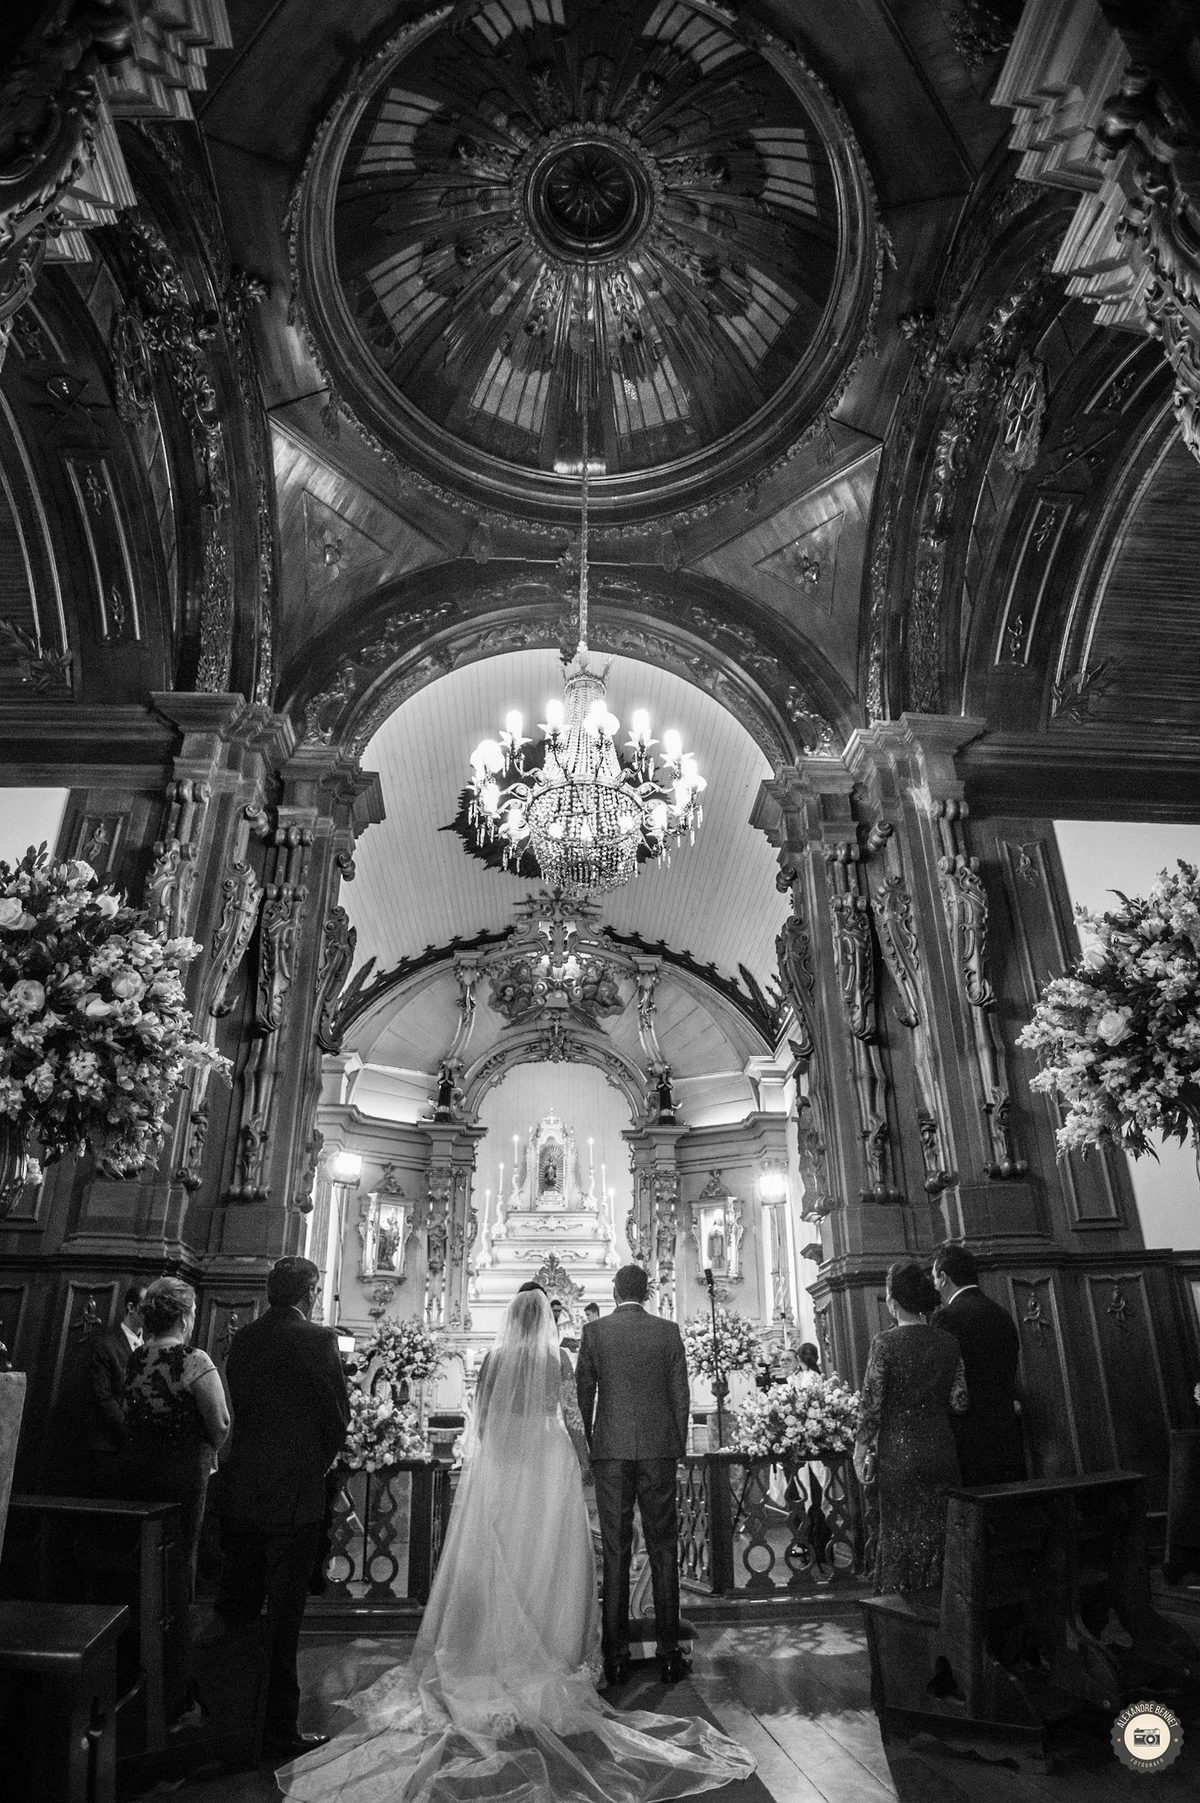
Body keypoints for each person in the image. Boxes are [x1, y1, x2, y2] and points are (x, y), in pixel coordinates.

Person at [278, 1287, 752, 1803]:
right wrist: (584, 1462)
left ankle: (499, 1646)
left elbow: (480, 1418)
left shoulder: (497, 1358)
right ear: (546, 1320)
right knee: (551, 1556)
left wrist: (499, 1452)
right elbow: (573, 1417)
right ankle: (558, 1646)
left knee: (500, 1551)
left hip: (505, 1460)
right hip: (548, 1460)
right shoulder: (558, 1359)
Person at [216, 1256, 350, 1764]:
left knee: (240, 1607)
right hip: (294, 1496)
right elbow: (337, 1415)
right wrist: (313, 1463)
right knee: (285, 1616)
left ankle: (233, 1719)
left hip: (244, 1488)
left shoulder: (244, 1336)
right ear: (311, 1293)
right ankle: (278, 1729)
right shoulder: (317, 1339)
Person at [105, 1276, 229, 1725]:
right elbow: (220, 1423)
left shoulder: (138, 1356)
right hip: (182, 1476)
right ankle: (173, 1685)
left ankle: (143, 1669)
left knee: (146, 1568)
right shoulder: (194, 1360)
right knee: (180, 1570)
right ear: (185, 1315)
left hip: (139, 1472)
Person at [575, 1263, 691, 1686]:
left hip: (611, 1452)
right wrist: (676, 1447)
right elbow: (681, 1394)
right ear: (647, 1293)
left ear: (614, 1291)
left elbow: (583, 1393)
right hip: (659, 1451)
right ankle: (668, 1653)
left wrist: (590, 1442)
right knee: (663, 1548)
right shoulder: (668, 1331)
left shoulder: (596, 1333)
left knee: (616, 1550)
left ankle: (617, 1656)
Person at [854, 1261, 968, 1594]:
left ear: (892, 1303)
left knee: (900, 1534)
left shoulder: (884, 1344)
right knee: (939, 1532)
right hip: (941, 1447)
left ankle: (901, 1623)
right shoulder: (948, 1342)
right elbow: (960, 1401)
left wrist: (860, 1452)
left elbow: (871, 1405)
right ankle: (940, 1610)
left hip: (899, 1453)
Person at [931, 1243, 1025, 1485]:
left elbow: (942, 1377)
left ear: (943, 1278)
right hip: (1007, 1432)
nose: (934, 1285)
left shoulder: (947, 1317)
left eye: (934, 1278)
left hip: (969, 1436)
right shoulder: (1001, 1314)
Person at [76, 1283, 144, 1493]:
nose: (152, 1313)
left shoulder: (150, 1347)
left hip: (137, 1453)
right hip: (108, 1446)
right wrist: (131, 1434)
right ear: (131, 1307)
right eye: (146, 1307)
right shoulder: (105, 1344)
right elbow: (103, 1397)